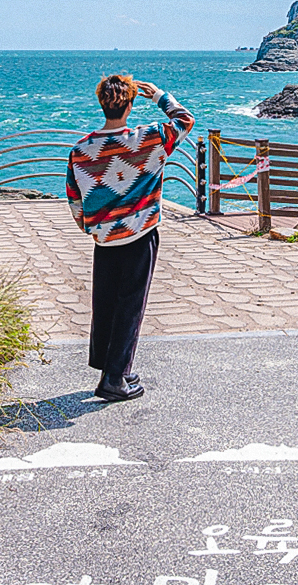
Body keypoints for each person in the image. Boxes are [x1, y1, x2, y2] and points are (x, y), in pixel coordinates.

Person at [65, 73, 195, 401]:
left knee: (106, 302)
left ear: (102, 103)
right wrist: (160, 96)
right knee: (130, 305)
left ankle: (111, 366)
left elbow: (74, 198)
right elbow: (185, 119)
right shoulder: (149, 138)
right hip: (141, 233)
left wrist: (92, 228)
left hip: (105, 239)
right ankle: (114, 380)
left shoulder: (81, 150)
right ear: (130, 104)